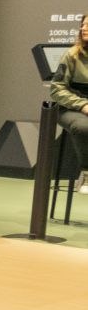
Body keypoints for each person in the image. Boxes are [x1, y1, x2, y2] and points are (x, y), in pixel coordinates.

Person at [48, 13, 88, 193]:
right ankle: (86, 173)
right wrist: (82, 105)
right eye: (83, 25)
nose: (83, 29)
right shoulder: (71, 55)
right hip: (71, 108)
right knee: (83, 127)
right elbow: (57, 88)